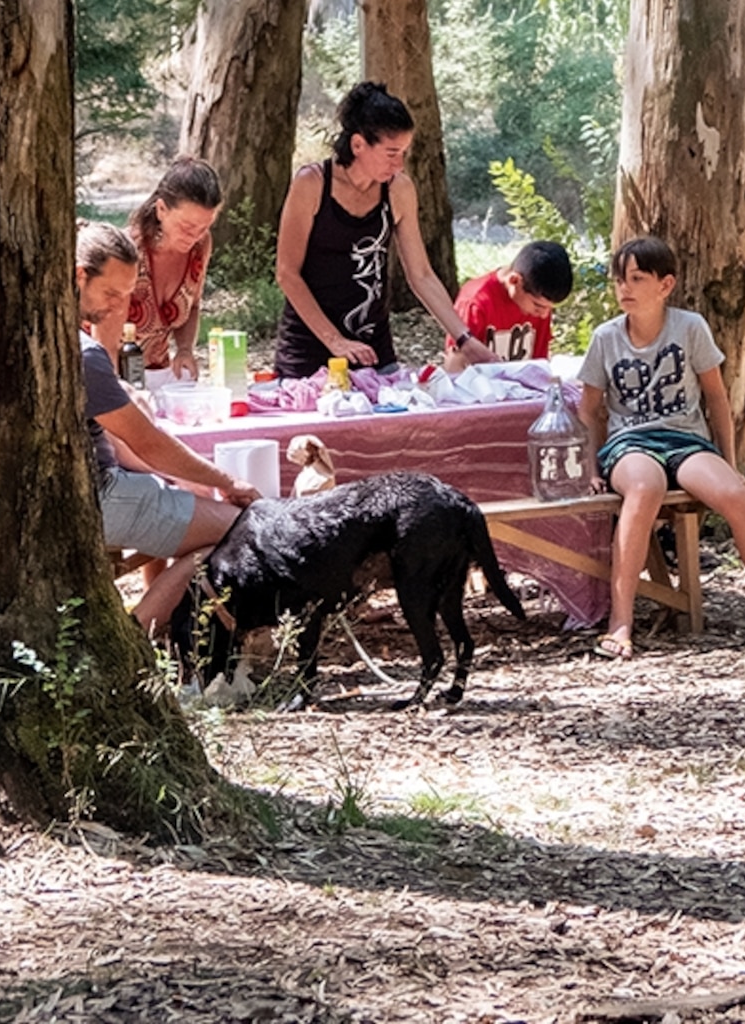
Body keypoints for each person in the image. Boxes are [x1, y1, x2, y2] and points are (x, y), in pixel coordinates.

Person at [578, 233, 745, 660]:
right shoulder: (606, 338)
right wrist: (591, 468)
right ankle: (621, 621)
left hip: (685, 440)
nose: (624, 289)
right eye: (619, 280)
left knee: (732, 494)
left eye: (636, 279)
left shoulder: (690, 328)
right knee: (644, 488)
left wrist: (730, 462)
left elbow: (716, 398)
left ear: (665, 285)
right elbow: (589, 409)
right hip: (629, 443)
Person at [74, 223, 255, 633]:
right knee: (240, 531)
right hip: (105, 495)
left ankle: (160, 628)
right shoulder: (85, 357)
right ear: (79, 274)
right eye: (112, 294)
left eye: (127, 295)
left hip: (108, 485)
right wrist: (228, 481)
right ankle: (139, 634)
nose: (119, 306)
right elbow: (149, 444)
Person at [272, 80, 490, 376]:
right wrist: (335, 341)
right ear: (358, 144)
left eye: (404, 153)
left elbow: (421, 275)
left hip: (373, 349)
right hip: (308, 349)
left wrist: (465, 339)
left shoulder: (399, 190)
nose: (399, 165)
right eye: (391, 153)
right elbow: (287, 273)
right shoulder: (312, 184)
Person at [124, 157, 222, 378]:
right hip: (115, 378)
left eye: (204, 227)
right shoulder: (128, 252)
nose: (194, 236)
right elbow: (102, 333)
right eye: (186, 227)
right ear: (161, 210)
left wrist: (185, 349)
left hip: (159, 374)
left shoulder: (200, 245)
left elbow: (193, 304)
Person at [458, 238, 574, 361]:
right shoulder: (476, 302)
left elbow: (538, 363)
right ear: (514, 281)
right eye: (538, 306)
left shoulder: (538, 304)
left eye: (550, 308)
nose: (544, 315)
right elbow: (456, 364)